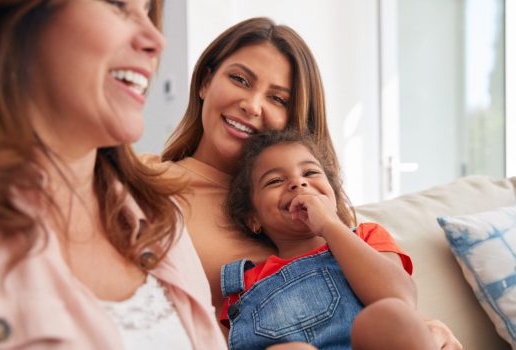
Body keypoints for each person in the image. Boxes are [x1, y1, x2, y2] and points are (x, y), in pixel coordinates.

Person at [144, 16, 462, 349]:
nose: (252, 106)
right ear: (205, 82)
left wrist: (424, 328)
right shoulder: (146, 181)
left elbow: (379, 298)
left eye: (278, 99)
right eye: (239, 79)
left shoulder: (317, 207)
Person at [0, 1, 225, 349]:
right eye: (118, 5)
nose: (156, 41)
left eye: (148, 11)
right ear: (19, 18)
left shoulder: (162, 221)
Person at [220, 130, 437, 349]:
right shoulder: (243, 284)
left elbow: (400, 299)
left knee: (390, 316)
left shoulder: (366, 237)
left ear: (333, 195)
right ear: (253, 219)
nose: (298, 183)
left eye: (311, 172)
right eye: (275, 180)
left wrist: (330, 225)